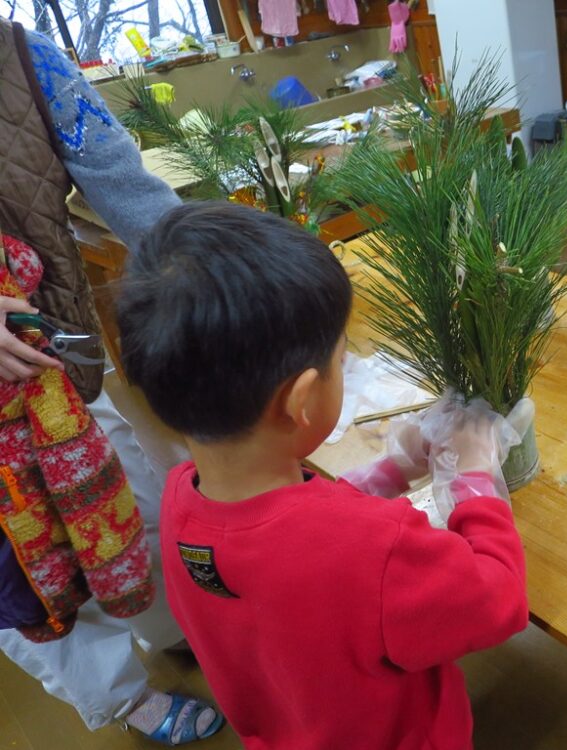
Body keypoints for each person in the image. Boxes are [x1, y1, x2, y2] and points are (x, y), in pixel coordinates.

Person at [115, 201, 531, 750]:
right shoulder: (375, 549)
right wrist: (475, 480)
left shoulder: (181, 499)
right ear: (302, 399)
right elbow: (500, 598)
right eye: (340, 360)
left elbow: (288, 543)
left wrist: (390, 471)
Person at [0, 19, 223, 744]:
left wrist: (226, 266)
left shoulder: (22, 56)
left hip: (56, 363)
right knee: (34, 575)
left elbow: (124, 185)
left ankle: (178, 626)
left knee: (135, 504)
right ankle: (124, 697)